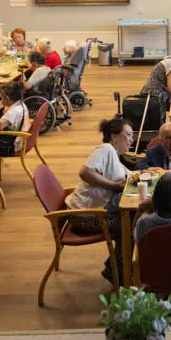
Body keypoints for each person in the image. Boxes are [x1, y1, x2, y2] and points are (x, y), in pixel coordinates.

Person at [66, 118, 132, 284]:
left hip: (92, 211)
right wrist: (114, 186)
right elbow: (85, 172)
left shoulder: (115, 156)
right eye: (128, 135)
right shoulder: (106, 149)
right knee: (130, 226)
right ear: (114, 136)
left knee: (130, 221)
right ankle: (119, 273)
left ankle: (117, 270)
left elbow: (131, 177)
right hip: (82, 215)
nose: (131, 139)